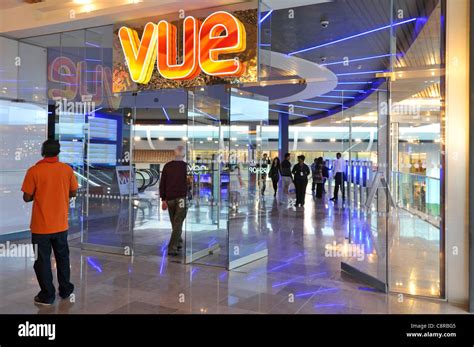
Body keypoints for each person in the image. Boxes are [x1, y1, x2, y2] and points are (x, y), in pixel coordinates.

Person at [21, 139, 78, 306]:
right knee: (62, 258)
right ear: (58, 152)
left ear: (42, 152)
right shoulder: (66, 170)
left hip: (40, 227)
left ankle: (47, 295)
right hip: (61, 225)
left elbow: (26, 197)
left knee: (42, 261)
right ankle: (66, 289)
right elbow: (73, 192)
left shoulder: (34, 171)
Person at [159, 146, 189, 256]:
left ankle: (179, 241)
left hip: (170, 198)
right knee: (178, 223)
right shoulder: (187, 167)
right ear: (184, 155)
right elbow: (190, 184)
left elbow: (162, 184)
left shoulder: (167, 166)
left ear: (174, 154)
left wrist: (163, 199)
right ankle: (172, 247)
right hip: (181, 198)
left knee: (175, 222)